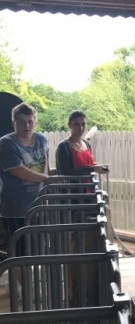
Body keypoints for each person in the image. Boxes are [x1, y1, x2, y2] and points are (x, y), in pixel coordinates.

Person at [0, 103, 51, 241]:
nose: (26, 126)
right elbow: (18, 171)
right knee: (20, 249)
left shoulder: (42, 140)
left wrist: (55, 175)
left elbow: (47, 167)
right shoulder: (5, 144)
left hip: (39, 206)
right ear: (14, 123)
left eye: (30, 122)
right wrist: (48, 179)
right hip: (16, 209)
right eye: (22, 122)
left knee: (40, 246)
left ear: (35, 122)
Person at [55, 110, 109, 177]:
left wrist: (97, 167)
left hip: (90, 183)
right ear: (69, 125)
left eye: (83, 124)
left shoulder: (87, 144)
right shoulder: (63, 146)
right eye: (76, 124)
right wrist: (92, 169)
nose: (80, 128)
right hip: (74, 184)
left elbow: (87, 165)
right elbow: (65, 173)